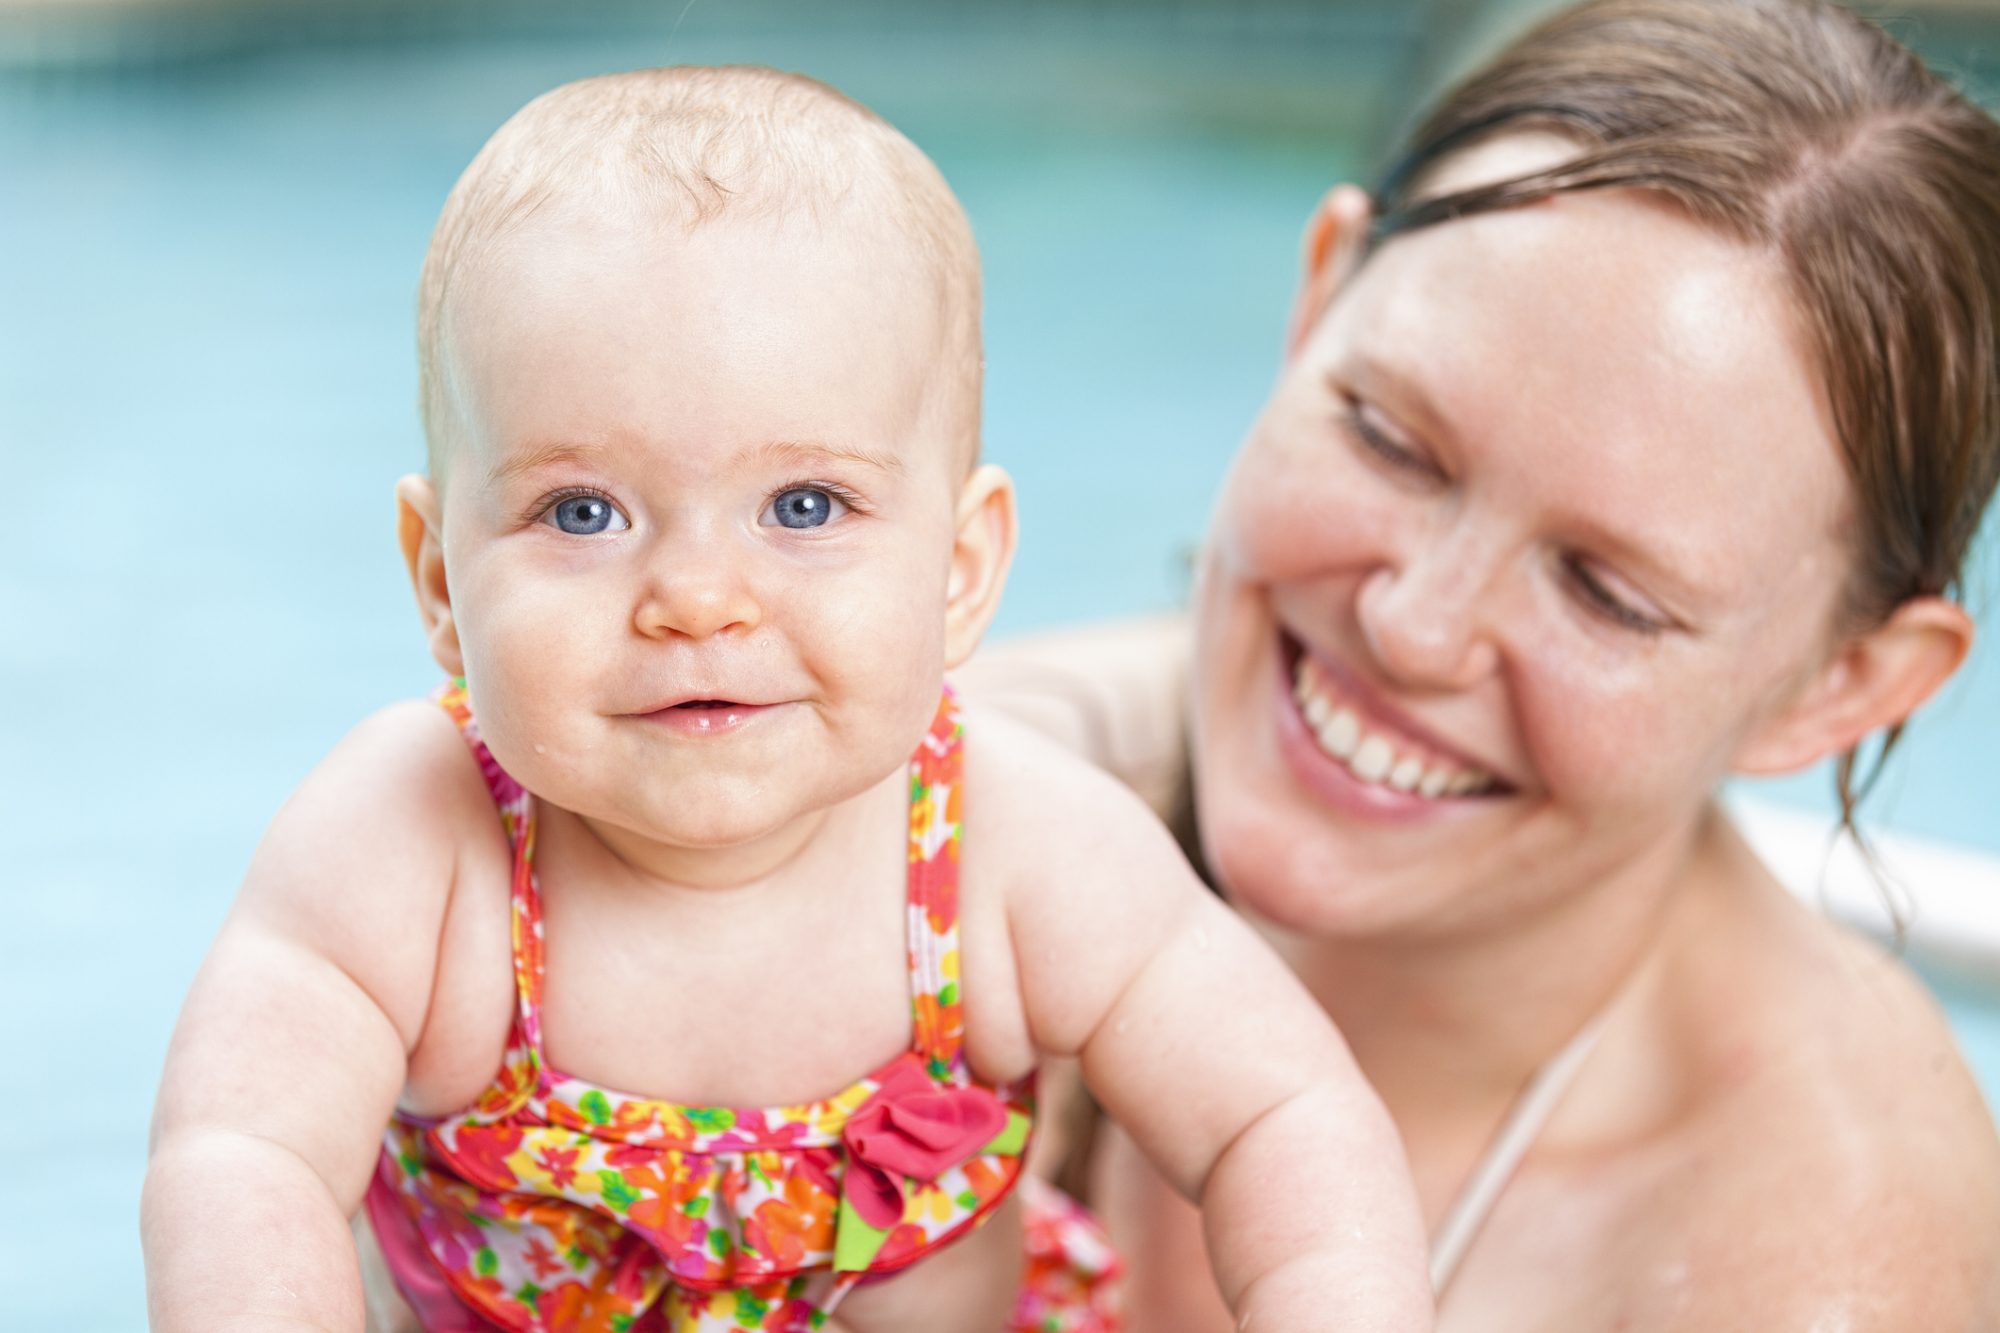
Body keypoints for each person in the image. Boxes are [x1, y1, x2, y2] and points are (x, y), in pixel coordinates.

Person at [139, 66, 1435, 1333]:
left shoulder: (1014, 850)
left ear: (961, 568)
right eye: (581, 511)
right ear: (439, 581)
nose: (699, 598)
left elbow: (1285, 1117)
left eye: (803, 507)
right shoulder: (411, 843)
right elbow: (241, 1156)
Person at [963, 0, 2000, 1326]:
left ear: (1845, 685)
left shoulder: (1794, 1273)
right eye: (1392, 441)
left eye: (1606, 592)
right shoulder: (1030, 791)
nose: (1415, 627)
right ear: (1319, 292)